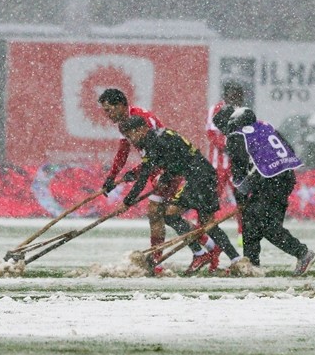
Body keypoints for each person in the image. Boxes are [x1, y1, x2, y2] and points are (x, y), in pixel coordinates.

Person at [119, 116, 241, 274]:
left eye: (131, 135)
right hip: (205, 175)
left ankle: (201, 254)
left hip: (198, 178)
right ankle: (236, 259)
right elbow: (174, 161)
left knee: (170, 215)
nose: (131, 140)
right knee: (208, 224)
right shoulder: (160, 136)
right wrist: (162, 176)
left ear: (142, 129)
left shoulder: (153, 142)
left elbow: (146, 175)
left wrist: (127, 202)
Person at [213, 106, 315, 276]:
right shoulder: (265, 126)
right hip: (285, 176)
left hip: (268, 180)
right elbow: (287, 148)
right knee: (251, 223)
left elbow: (239, 174)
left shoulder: (236, 137)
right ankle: (252, 265)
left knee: (265, 226)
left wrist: (242, 196)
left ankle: (302, 253)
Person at [98, 88, 182, 268]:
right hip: (154, 166)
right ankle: (158, 258)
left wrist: (128, 200)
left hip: (168, 167)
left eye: (109, 110)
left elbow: (156, 153)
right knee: (157, 214)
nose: (107, 115)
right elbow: (123, 153)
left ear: (120, 105)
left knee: (160, 212)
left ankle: (161, 258)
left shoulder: (143, 119)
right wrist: (111, 178)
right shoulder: (123, 123)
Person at [206, 81, 246, 232]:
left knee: (242, 199)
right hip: (218, 164)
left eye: (240, 95)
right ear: (227, 95)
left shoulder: (244, 111)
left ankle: (243, 234)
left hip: (238, 164)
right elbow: (212, 134)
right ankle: (207, 232)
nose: (237, 98)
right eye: (234, 95)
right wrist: (229, 146)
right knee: (211, 200)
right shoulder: (216, 109)